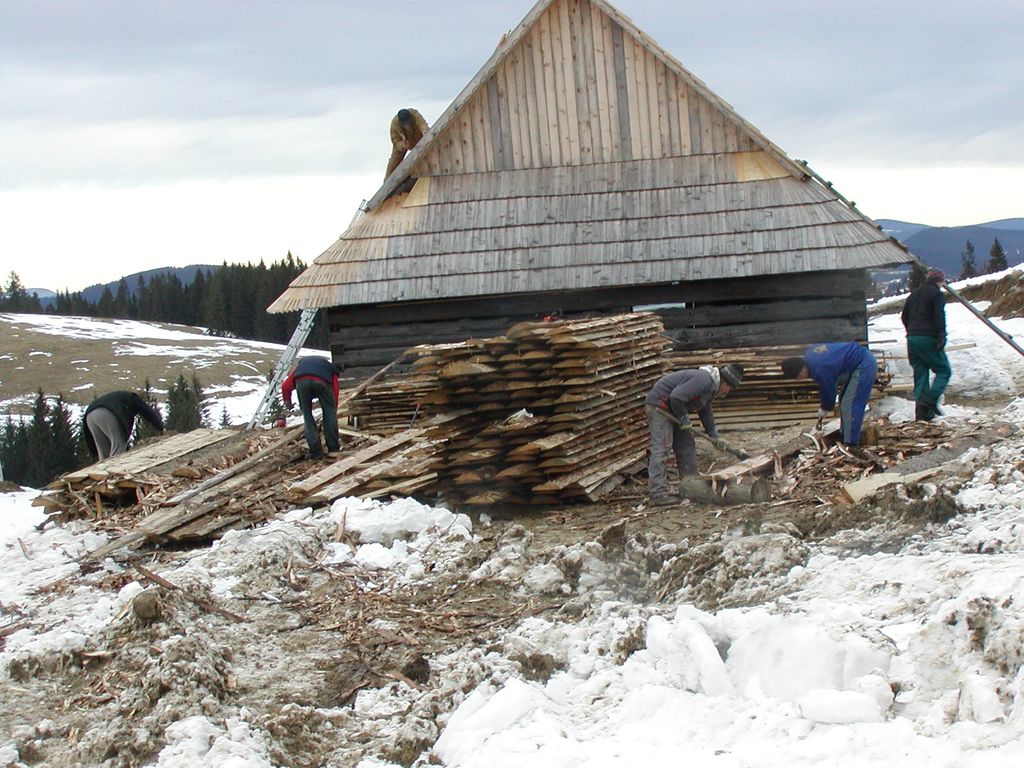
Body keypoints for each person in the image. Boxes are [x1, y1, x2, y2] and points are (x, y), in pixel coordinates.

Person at [644, 363, 744, 505]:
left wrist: (714, 434)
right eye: (729, 388)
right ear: (724, 381)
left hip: (674, 410)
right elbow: (676, 397)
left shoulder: (711, 389)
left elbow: (705, 411)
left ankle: (691, 486)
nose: (728, 392)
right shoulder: (703, 380)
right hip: (660, 406)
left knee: (687, 444)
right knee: (662, 448)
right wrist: (684, 418)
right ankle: (658, 494)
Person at [780, 342, 877, 446]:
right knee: (843, 399)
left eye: (798, 377)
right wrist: (826, 405)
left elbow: (828, 388)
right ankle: (844, 435)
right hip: (856, 360)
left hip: (863, 364)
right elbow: (828, 383)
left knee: (850, 404)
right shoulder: (810, 357)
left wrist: (825, 407)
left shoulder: (820, 368)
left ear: (801, 371)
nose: (801, 379)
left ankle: (851, 444)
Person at [901, 269, 951, 421]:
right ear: (940, 281)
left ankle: (922, 414)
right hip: (927, 336)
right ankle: (930, 400)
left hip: (912, 338)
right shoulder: (936, 294)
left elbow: (904, 316)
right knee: (943, 370)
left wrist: (912, 331)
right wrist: (941, 336)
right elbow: (939, 316)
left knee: (921, 372)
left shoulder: (914, 294)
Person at [282, 356, 341, 459]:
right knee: (329, 414)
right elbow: (335, 391)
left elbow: (285, 386)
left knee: (307, 416)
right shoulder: (331, 369)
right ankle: (333, 448)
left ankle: (316, 452)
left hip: (302, 382)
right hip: (322, 382)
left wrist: (288, 402)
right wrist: (333, 407)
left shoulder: (300, 368)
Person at [83, 390, 165, 461]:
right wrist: (160, 428)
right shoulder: (133, 398)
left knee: (104, 453)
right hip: (107, 412)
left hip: (89, 416)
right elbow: (147, 412)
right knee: (118, 446)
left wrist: (93, 452)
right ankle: (115, 473)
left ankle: (101, 475)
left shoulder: (121, 398)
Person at [385, 108, 429, 179]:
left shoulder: (414, 114)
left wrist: (425, 132)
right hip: (404, 143)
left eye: (408, 122)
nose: (406, 124)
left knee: (430, 145)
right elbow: (395, 141)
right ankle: (386, 186)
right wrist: (402, 145)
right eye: (404, 123)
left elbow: (422, 124)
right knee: (393, 164)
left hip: (419, 137)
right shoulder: (394, 124)